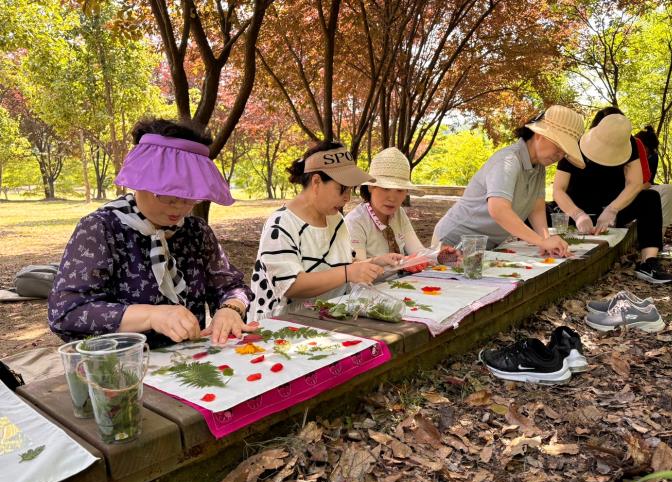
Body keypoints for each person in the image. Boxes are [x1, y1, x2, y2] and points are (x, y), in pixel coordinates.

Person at [48, 119, 255, 348]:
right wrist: (151, 315)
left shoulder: (196, 231)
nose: (180, 207)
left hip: (192, 365)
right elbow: (67, 312)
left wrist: (230, 309)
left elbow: (231, 286)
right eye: (167, 195)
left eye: (190, 196)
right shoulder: (101, 229)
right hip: (122, 370)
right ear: (140, 180)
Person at [248, 141, 401, 321]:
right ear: (316, 181)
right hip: (282, 324)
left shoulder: (335, 219)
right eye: (342, 189)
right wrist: (348, 273)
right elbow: (290, 285)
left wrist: (374, 262)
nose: (347, 198)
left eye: (350, 190)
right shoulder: (281, 224)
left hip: (327, 317)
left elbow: (341, 264)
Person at [432, 105, 585, 256]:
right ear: (539, 135)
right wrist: (541, 241)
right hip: (453, 241)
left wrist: (547, 240)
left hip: (485, 245)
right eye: (559, 146)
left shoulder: (539, 168)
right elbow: (499, 209)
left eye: (565, 151)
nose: (560, 154)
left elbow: (536, 208)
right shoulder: (508, 160)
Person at [553, 108, 672, 284]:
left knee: (650, 198)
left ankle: (649, 263)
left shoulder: (631, 144)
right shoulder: (575, 143)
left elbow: (635, 183)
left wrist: (613, 209)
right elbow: (558, 189)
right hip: (576, 214)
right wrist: (577, 214)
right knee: (541, 210)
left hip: (613, 214)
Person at [345, 147, 425, 259]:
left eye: (400, 190)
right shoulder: (356, 222)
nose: (392, 198)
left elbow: (418, 252)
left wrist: (440, 256)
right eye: (385, 188)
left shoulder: (398, 213)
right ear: (371, 187)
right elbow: (358, 269)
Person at [635, 125, 672, 234]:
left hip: (641, 189)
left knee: (668, 190)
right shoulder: (625, 153)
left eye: (649, 151)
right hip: (623, 192)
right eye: (644, 149)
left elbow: (648, 182)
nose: (646, 154)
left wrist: (636, 188)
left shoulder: (653, 156)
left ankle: (658, 239)